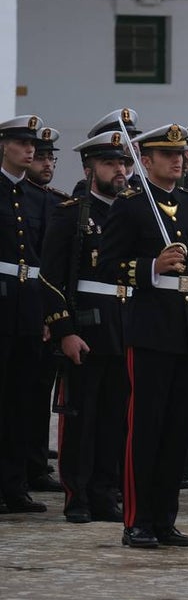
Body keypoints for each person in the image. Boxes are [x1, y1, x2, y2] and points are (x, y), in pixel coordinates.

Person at [97, 123, 188, 548]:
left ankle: (165, 519)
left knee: (178, 431)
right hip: (151, 327)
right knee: (146, 428)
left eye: (179, 153)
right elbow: (107, 265)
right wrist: (152, 266)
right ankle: (137, 520)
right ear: (146, 160)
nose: (176, 159)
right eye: (165, 154)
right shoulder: (131, 206)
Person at [40, 131, 133, 523]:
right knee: (81, 418)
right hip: (87, 330)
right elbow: (50, 278)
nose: (120, 171)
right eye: (111, 163)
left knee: (116, 418)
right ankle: (76, 496)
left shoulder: (133, 213)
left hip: (125, 328)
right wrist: (65, 331)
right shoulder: (71, 213)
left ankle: (104, 492)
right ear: (90, 168)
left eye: (124, 163)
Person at [0, 115, 55, 514]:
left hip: (29, 304)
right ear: (4, 146)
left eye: (32, 143)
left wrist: (49, 316)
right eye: (21, 142)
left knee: (23, 399)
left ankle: (14, 486)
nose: (30, 149)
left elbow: (46, 264)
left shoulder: (39, 198)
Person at [26, 126, 67, 494]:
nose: (47, 164)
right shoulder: (15, 197)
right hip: (18, 305)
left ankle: (35, 463)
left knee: (40, 392)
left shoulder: (58, 203)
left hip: (45, 308)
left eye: (51, 158)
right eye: (41, 157)